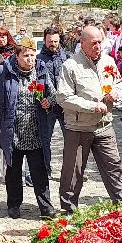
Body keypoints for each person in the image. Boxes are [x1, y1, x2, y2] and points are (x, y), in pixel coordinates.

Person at [57, 26, 122, 213]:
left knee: (113, 167)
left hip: (104, 125)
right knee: (73, 171)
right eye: (93, 43)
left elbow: (119, 84)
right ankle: (69, 210)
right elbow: (63, 98)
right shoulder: (71, 66)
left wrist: (116, 94)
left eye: (100, 42)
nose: (98, 46)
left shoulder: (108, 61)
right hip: (79, 127)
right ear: (82, 43)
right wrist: (91, 106)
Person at [0, 37, 56, 219]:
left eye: (33, 55)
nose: (30, 59)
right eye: (26, 55)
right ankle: (14, 204)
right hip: (12, 130)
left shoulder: (41, 71)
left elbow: (53, 94)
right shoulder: (4, 72)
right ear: (17, 56)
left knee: (39, 171)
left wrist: (49, 102)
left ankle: (45, 206)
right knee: (13, 171)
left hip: (35, 130)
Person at [37, 27, 69, 177]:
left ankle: (70, 170)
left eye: (55, 41)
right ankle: (45, 169)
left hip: (66, 106)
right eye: (50, 41)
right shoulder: (38, 59)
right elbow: (36, 83)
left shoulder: (68, 57)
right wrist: (43, 99)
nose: (53, 44)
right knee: (44, 139)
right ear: (44, 41)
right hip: (46, 106)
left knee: (71, 140)